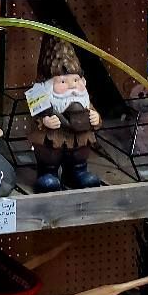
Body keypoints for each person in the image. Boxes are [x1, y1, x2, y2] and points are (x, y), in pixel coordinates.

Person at [27, 35, 101, 192]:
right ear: (48, 86)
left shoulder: (84, 101)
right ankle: (48, 174)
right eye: (62, 82)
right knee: (49, 160)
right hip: (54, 141)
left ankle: (77, 173)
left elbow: (94, 113)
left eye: (75, 80)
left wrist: (96, 119)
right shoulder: (42, 99)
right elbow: (35, 118)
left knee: (78, 159)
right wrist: (44, 121)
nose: (72, 87)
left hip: (79, 141)